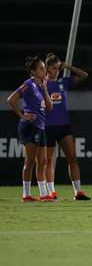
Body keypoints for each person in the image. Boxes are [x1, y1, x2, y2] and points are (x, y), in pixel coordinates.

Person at [43, 53, 90, 200]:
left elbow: (84, 75)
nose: (56, 71)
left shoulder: (64, 82)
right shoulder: (42, 85)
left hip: (64, 126)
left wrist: (68, 66)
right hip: (48, 126)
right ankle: (51, 191)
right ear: (47, 68)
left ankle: (78, 192)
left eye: (58, 68)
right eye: (53, 68)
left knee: (72, 158)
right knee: (49, 161)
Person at [7, 56, 54, 202]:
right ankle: (26, 195)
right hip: (30, 126)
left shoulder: (40, 86)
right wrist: (22, 115)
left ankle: (43, 194)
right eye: (41, 68)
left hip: (40, 126)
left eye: (44, 68)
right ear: (33, 72)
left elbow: (50, 106)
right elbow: (11, 99)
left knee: (43, 161)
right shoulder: (28, 83)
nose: (44, 70)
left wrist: (45, 88)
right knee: (30, 162)